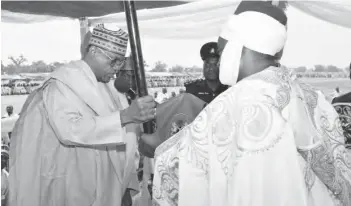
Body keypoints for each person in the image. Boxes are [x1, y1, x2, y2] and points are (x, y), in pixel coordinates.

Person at [152, 2, 351, 206]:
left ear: (240, 47)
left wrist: (156, 146)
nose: (219, 62)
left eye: (221, 52)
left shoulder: (232, 104)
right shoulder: (313, 97)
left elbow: (175, 166)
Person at [8, 24, 157, 206]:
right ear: (94, 51)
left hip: (109, 185)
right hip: (72, 185)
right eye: (113, 61)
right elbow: (70, 129)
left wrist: (125, 184)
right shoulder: (62, 84)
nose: (117, 69)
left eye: (120, 62)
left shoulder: (109, 86)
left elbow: (125, 139)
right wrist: (125, 116)